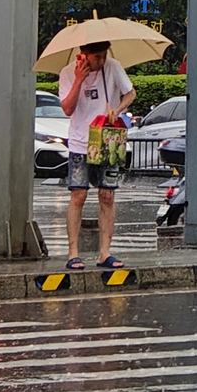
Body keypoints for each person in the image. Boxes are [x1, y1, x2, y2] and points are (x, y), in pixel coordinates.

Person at [59, 41, 136, 271]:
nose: (101, 61)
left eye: (104, 56)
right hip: (81, 142)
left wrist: (118, 108)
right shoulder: (67, 73)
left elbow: (130, 93)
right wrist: (79, 80)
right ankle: (73, 252)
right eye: (97, 57)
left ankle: (105, 252)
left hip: (107, 139)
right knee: (78, 195)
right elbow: (67, 108)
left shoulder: (112, 67)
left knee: (107, 196)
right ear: (84, 55)